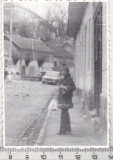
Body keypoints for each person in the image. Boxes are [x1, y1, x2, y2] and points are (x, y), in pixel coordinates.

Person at [57, 66, 76, 135]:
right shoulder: (62, 79)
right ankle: (67, 129)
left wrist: (65, 87)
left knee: (64, 114)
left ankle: (63, 131)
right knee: (65, 114)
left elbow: (74, 87)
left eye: (64, 71)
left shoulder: (69, 79)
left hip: (66, 98)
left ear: (67, 72)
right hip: (62, 98)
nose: (63, 72)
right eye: (62, 71)